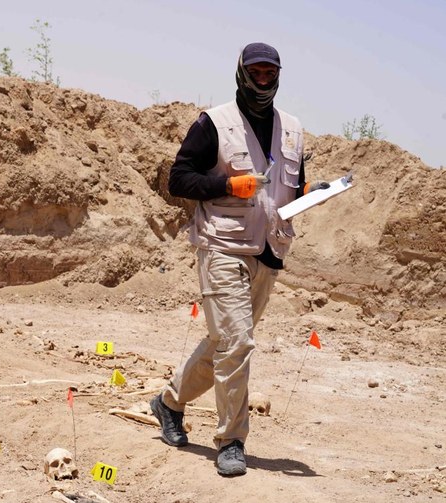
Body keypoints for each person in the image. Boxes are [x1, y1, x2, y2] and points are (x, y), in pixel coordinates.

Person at [150, 42, 329, 477]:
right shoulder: (214, 123)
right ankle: (231, 440)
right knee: (238, 343)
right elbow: (178, 179)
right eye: (257, 72)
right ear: (242, 73)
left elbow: (289, 190)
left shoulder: (293, 129)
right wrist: (228, 185)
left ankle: (169, 402)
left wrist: (308, 195)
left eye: (271, 72)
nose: (263, 79)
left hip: (269, 250)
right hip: (221, 246)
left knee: (225, 343)